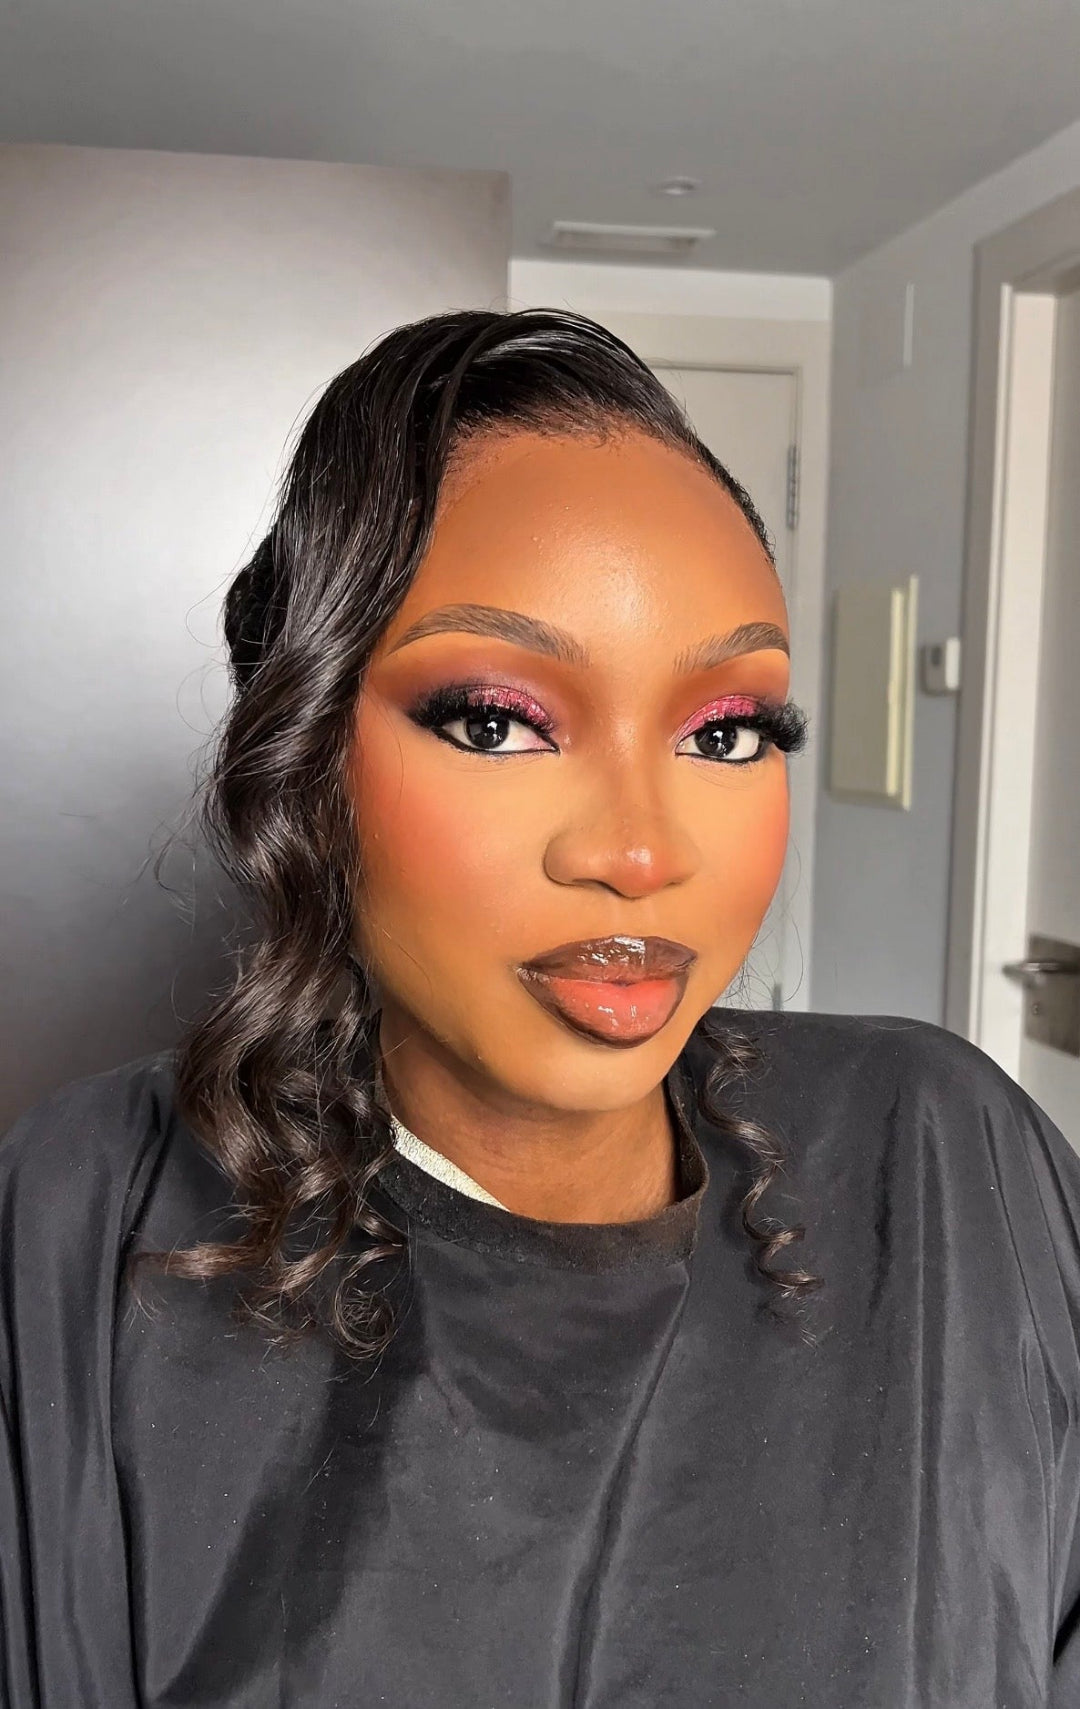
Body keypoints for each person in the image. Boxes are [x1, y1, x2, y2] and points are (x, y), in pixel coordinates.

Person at [1, 309, 1078, 1709]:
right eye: (498, 720)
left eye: (725, 731)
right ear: (307, 755)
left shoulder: (947, 1162)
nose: (640, 851)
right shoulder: (85, 1218)